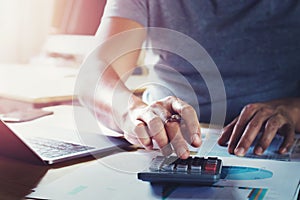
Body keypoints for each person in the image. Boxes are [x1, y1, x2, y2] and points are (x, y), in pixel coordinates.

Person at [78, 0, 300, 159]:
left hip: (275, 141)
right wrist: (132, 112)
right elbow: (92, 76)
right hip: (162, 139)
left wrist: (294, 109)